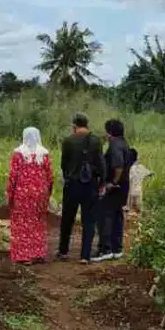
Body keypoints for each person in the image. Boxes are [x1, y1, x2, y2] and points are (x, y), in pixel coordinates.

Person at [57, 112, 104, 263]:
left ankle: (63, 251)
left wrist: (67, 177)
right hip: (91, 184)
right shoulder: (96, 141)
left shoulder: (68, 141)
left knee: (67, 218)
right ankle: (85, 255)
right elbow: (101, 164)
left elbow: (64, 164)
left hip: (73, 184)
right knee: (89, 220)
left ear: (74, 126)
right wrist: (101, 182)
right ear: (87, 124)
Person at [5, 127, 54, 265]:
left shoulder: (18, 154)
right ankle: (38, 253)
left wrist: (9, 194)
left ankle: (24, 256)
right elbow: (50, 177)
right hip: (40, 194)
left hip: (22, 194)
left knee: (22, 223)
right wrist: (48, 194)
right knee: (38, 222)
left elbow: (13, 176)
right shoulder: (44, 154)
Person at [92, 119, 132, 263]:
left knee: (105, 216)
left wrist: (112, 183)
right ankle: (117, 249)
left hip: (115, 187)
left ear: (110, 131)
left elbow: (118, 166)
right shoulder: (124, 143)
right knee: (117, 215)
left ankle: (105, 250)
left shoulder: (114, 144)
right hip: (124, 187)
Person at [126, 148, 153, 214]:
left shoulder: (127, 169)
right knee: (138, 211)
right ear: (137, 158)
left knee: (128, 211)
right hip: (138, 193)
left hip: (129, 195)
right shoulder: (141, 167)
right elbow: (150, 173)